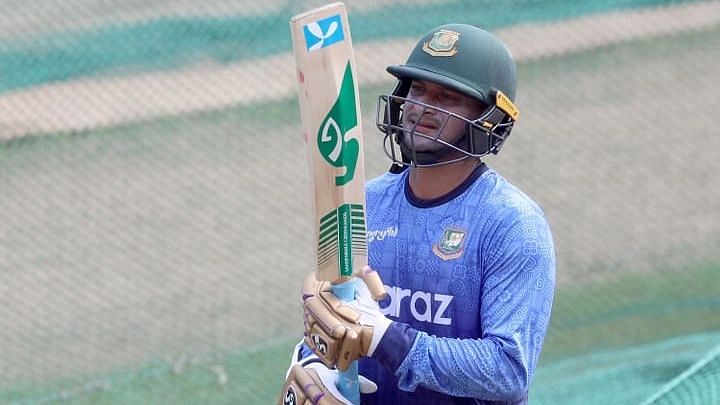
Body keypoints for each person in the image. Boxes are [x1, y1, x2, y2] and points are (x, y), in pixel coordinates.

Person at [279, 24, 556, 405]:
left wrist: (387, 339)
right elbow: (335, 318)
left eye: (448, 98)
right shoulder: (365, 202)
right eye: (418, 90)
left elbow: (508, 371)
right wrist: (315, 362)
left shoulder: (511, 224)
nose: (423, 107)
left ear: (490, 119)